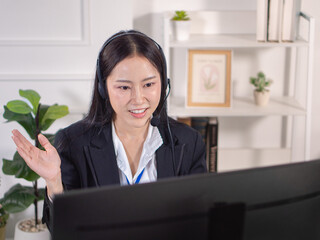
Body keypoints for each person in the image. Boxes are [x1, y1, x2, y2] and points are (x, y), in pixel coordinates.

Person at [11, 30, 207, 231]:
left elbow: (199, 222)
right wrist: (54, 182)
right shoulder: (73, 142)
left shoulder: (188, 142)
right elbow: (63, 231)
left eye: (149, 84)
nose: (138, 99)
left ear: (164, 85)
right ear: (103, 88)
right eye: (124, 87)